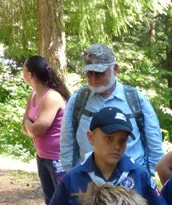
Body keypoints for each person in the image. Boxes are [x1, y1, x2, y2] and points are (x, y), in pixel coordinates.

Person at [60, 44, 164, 176]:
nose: (93, 78)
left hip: (131, 177)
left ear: (115, 69)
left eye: (99, 73)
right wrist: (72, 175)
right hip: (89, 177)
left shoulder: (135, 99)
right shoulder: (78, 100)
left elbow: (153, 137)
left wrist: (149, 175)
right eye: (89, 73)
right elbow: (67, 139)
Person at [21, 55, 71, 205]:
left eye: (24, 70)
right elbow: (25, 124)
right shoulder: (33, 97)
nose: (22, 73)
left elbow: (38, 129)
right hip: (43, 156)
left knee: (66, 201)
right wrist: (30, 127)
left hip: (58, 159)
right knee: (51, 200)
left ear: (31, 74)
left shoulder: (51, 97)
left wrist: (30, 126)